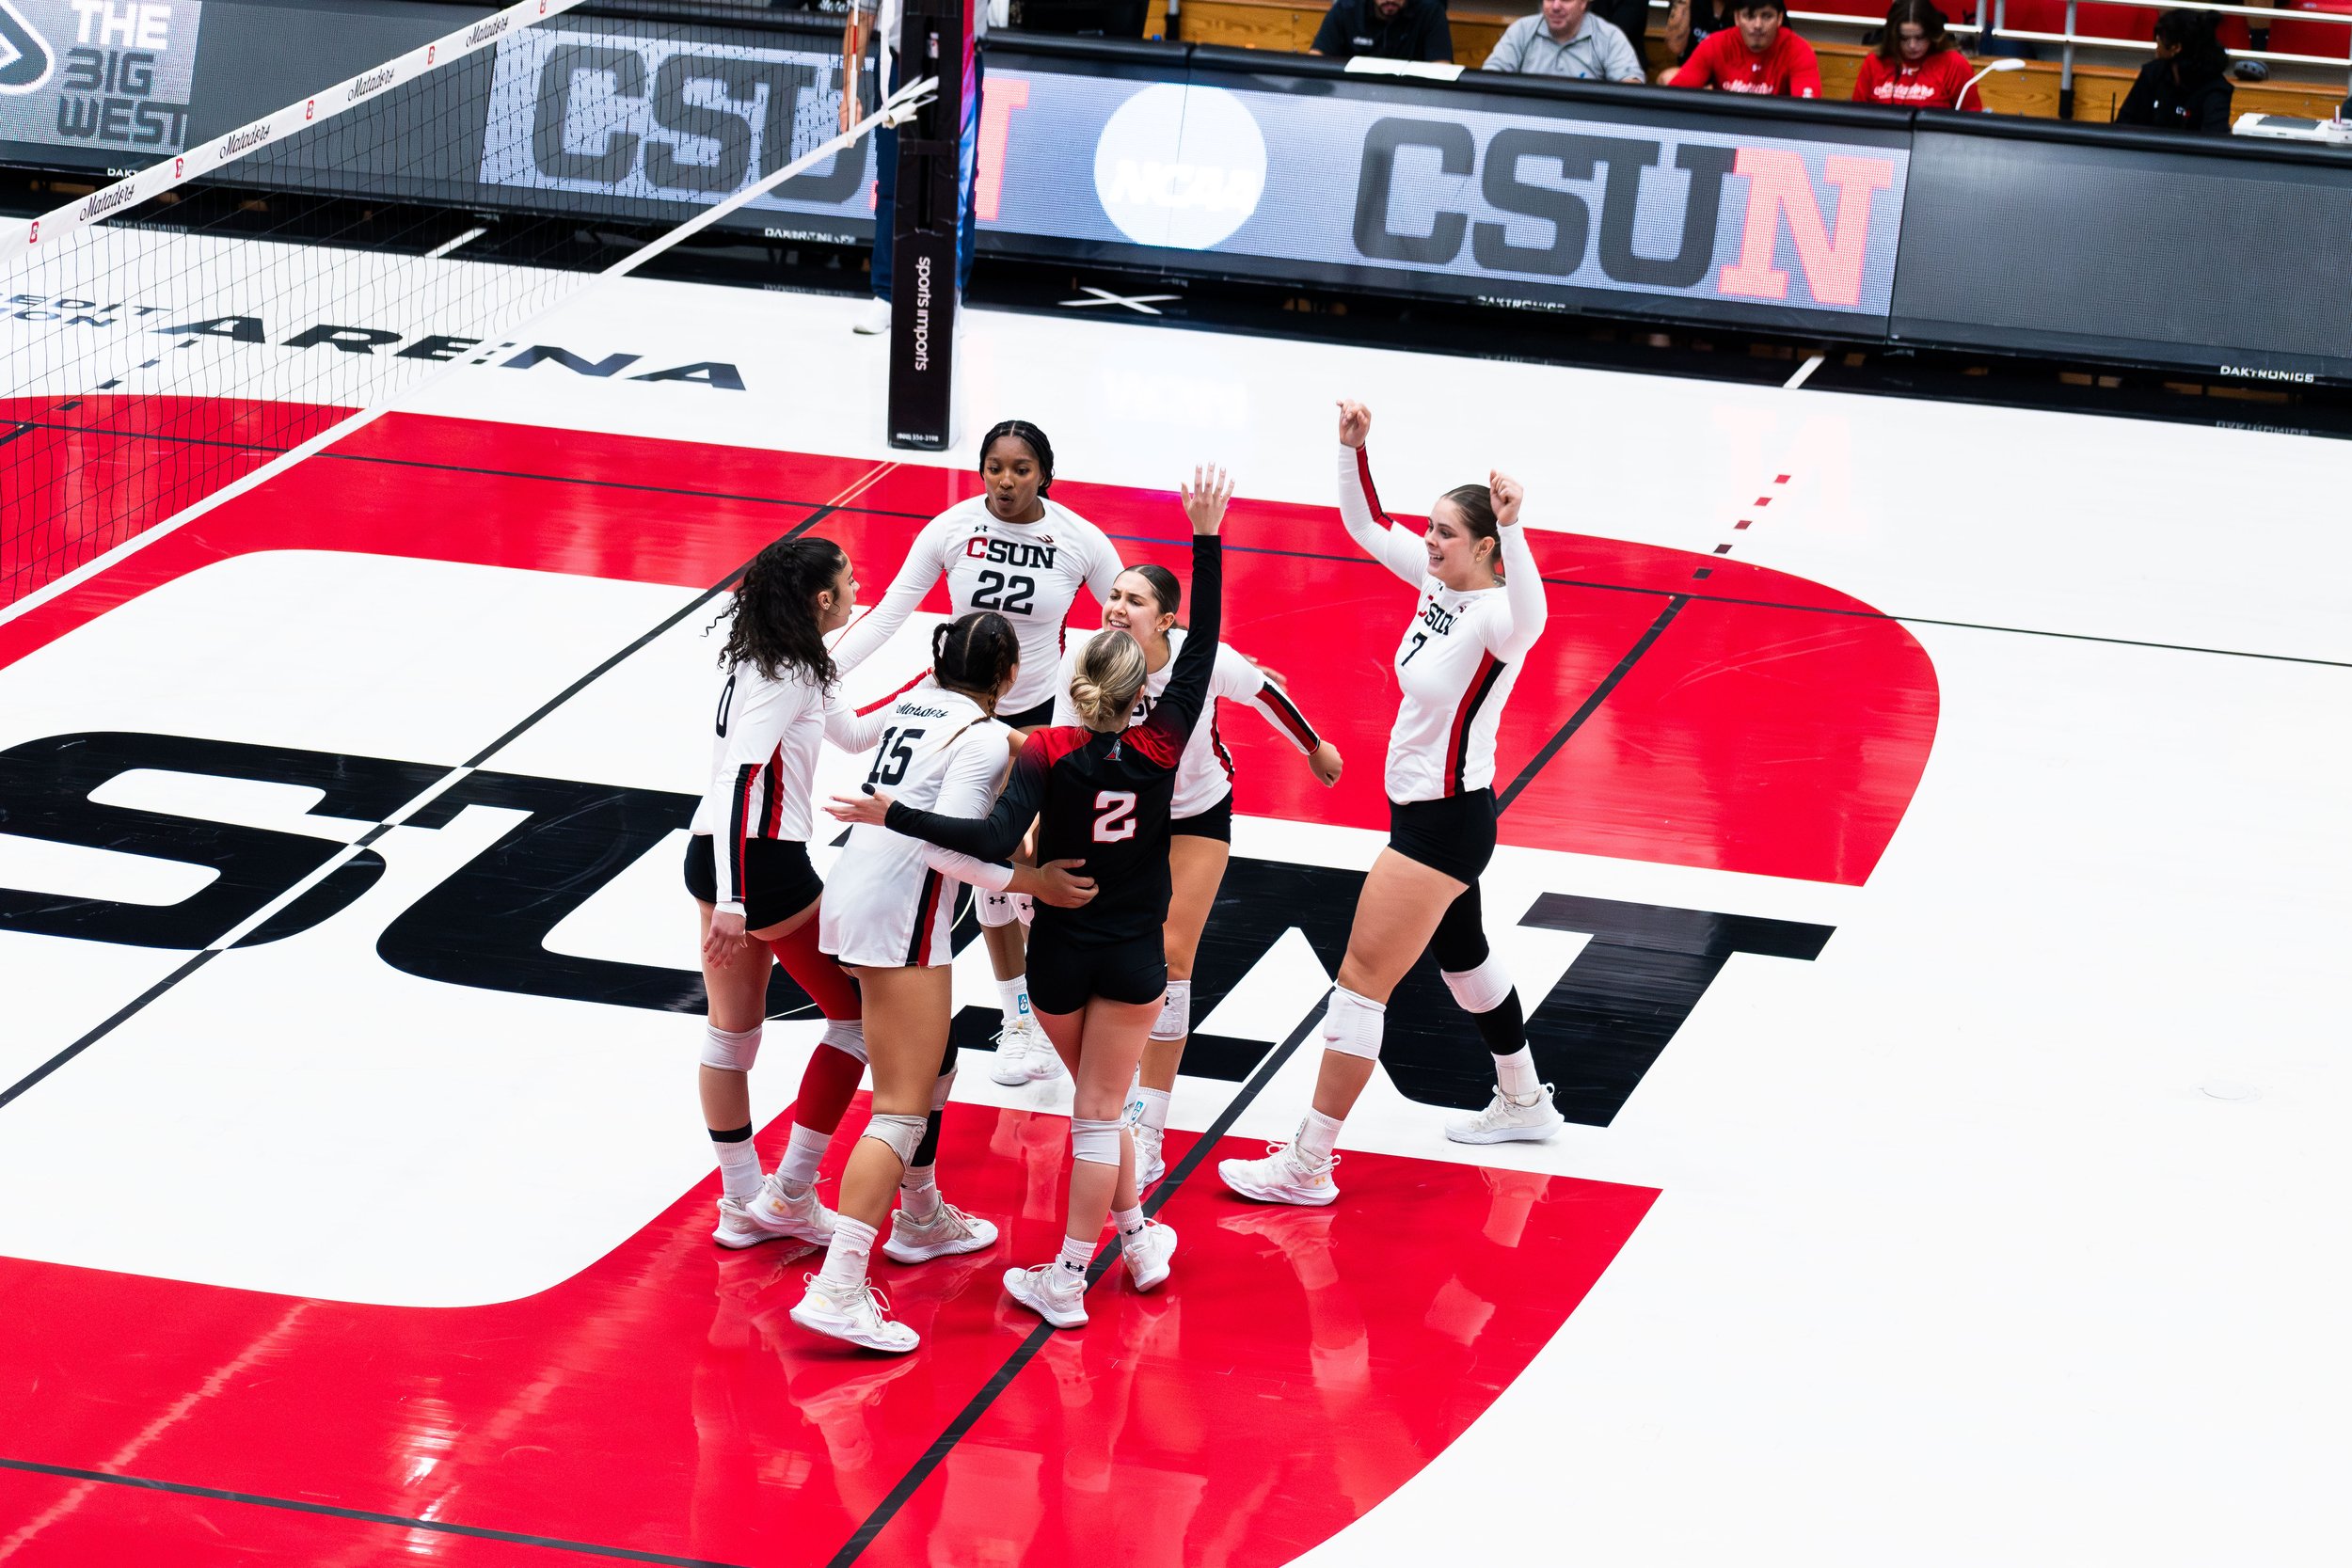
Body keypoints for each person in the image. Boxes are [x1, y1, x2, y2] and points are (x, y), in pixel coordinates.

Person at [834, 467, 1232, 1332]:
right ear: (1140, 697)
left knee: (1096, 1105)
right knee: (1103, 1108)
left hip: (1058, 956)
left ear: (1077, 680)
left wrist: (890, 810)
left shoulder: (1044, 749)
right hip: (1134, 956)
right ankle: (1096, 1258)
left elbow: (979, 842)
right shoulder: (1164, 747)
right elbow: (1199, 655)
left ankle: (1114, 1247)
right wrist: (1207, 537)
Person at [1218, 404, 1553, 1211]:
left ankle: (1308, 1160)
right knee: (1464, 961)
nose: (1429, 541)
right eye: (1431, 529)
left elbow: (1533, 617)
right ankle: (1526, 1100)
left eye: (1446, 532)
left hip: (1443, 824)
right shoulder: (1437, 585)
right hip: (1431, 815)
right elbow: (1365, 522)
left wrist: (1517, 531)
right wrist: (1351, 448)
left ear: (1483, 546)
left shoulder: (1494, 619)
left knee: (1360, 984)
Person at [790, 612, 1099, 1354]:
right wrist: (1035, 881)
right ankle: (837, 1287)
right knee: (897, 1109)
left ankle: (921, 1216)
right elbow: (948, 849)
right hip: (897, 914)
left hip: (858, 892)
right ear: (1007, 676)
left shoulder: (916, 703)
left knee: (941, 1055)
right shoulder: (984, 736)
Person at [830, 420, 1122, 1087]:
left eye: (1021, 469)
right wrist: (815, 669)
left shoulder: (1079, 539)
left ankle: (1061, 1007)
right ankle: (1020, 1014)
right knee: (986, 859)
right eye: (994, 466)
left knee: (1048, 864)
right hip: (962, 714)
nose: (1006, 480)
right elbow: (888, 613)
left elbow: (1129, 615)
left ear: (1043, 473)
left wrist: (1204, 662)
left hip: (1044, 718)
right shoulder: (952, 527)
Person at [1050, 564, 1343, 1186]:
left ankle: (1147, 1127)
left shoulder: (1201, 659)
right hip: (1125, 816)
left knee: (1172, 954)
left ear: (1166, 620)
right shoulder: (1086, 655)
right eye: (1114, 594)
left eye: (1135, 599)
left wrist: (1315, 746)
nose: (1117, 606)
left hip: (1195, 813)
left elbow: (1263, 692)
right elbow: (1061, 740)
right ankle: (1109, 1088)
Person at [686, 536, 884, 1252]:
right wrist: (737, 898)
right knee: (859, 1020)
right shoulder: (792, 672)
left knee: (731, 1033)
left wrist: (937, 698)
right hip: (759, 866)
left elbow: (858, 736)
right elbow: (741, 777)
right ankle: (790, 1191)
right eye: (852, 582)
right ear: (823, 599)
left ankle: (743, 1202)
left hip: (710, 852)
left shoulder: (775, 656)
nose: (860, 589)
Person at [840, 0, 993, 335]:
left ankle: (951, 297)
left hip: (961, 62)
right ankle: (887, 295)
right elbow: (861, 15)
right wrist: (850, 90)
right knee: (893, 179)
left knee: (959, 185)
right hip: (902, 63)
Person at [1662, 0, 1820, 94]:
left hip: (1777, 134)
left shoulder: (1798, 49)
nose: (1758, 25)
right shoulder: (1715, 43)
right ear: (1737, 18)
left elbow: (1810, 110)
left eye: (1766, 16)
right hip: (1725, 125)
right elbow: (1676, 94)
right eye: (1749, 17)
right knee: (1668, 77)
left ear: (1779, 18)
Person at [2116, 9, 2233, 134]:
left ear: (2176, 47)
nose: (2157, 39)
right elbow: (2123, 123)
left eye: (2161, 35)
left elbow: (2214, 141)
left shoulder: (2216, 89)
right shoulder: (2152, 73)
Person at [1851, 0, 1985, 109]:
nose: (1912, 45)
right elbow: (1856, 116)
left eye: (1920, 37)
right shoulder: (1874, 61)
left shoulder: (1954, 64)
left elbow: (1972, 120)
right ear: (1893, 36)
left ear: (1933, 34)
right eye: (1904, 38)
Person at [1484, 0, 1647, 82]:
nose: (1555, 6)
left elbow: (1631, 85)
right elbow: (1488, 79)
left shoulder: (1609, 36)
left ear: (1584, 3)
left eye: (1566, 0)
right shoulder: (1521, 30)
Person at [1309, 0, 1454, 63]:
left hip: (1410, 100)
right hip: (1354, 97)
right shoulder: (1346, 9)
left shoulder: (1431, 12)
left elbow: (1441, 69)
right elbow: (1315, 61)